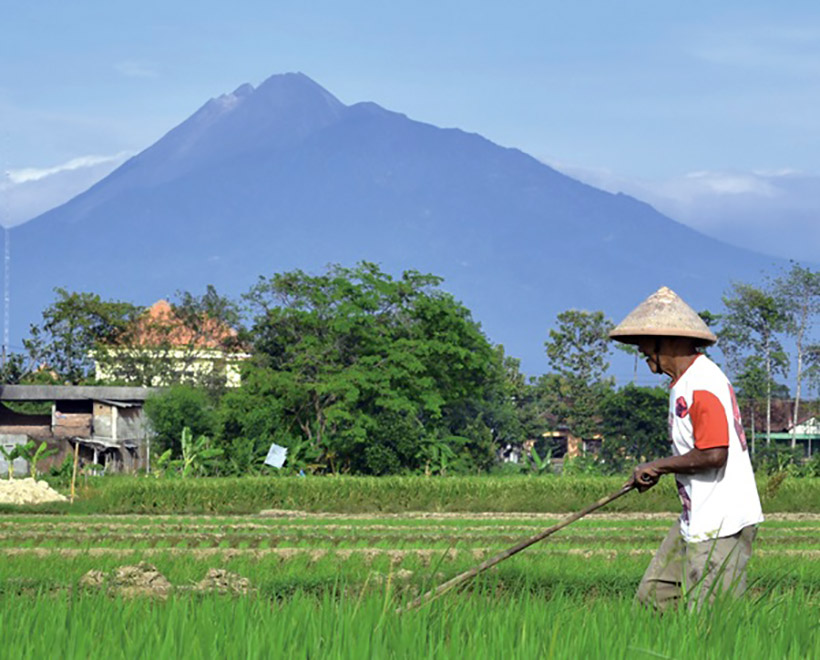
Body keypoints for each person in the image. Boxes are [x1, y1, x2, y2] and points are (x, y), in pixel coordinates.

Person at [610, 286, 763, 611]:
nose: (642, 352)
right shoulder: (684, 383)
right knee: (654, 599)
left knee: (711, 624)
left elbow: (713, 454)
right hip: (696, 516)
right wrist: (661, 468)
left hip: (722, 522)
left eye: (645, 344)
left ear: (668, 341)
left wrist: (658, 466)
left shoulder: (702, 383)